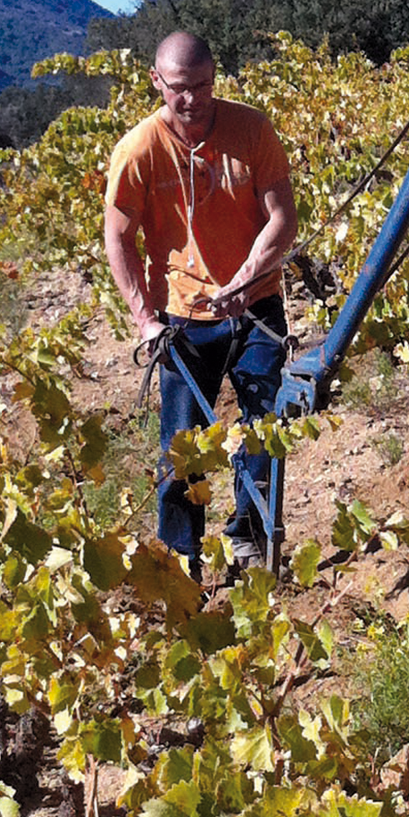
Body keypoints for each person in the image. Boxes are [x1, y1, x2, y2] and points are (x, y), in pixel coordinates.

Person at [103, 32, 297, 577]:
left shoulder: (252, 130)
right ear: (156, 81)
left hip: (255, 307)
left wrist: (245, 278)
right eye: (180, 89)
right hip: (181, 320)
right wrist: (144, 318)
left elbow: (282, 218)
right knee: (182, 449)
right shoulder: (139, 149)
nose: (192, 100)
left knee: (264, 432)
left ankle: (250, 538)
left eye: (203, 86)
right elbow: (117, 237)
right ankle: (181, 559)